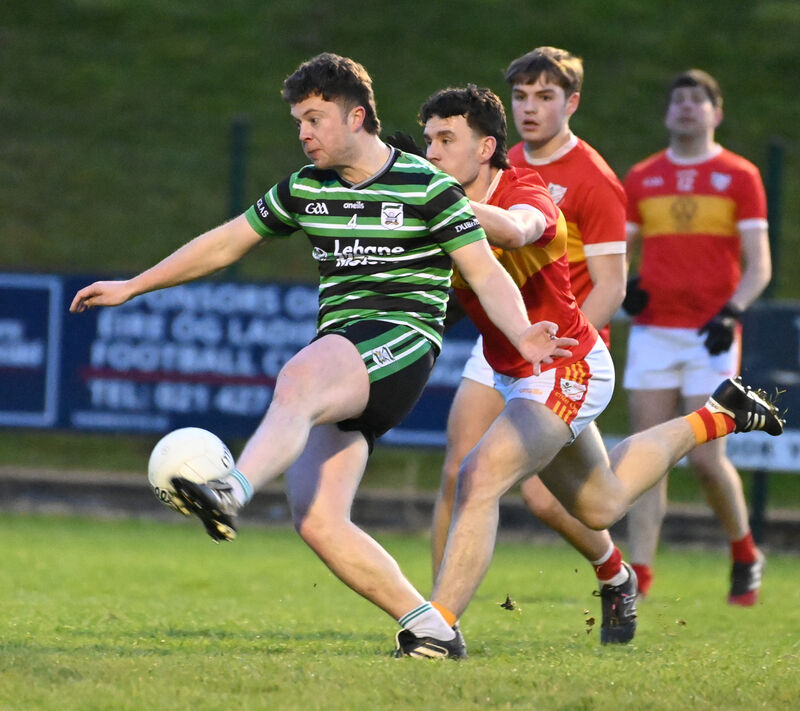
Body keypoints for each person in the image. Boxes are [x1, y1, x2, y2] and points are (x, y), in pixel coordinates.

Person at [70, 53, 577, 658]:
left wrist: (521, 333)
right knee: (316, 517)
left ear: (356, 115)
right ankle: (430, 628)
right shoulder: (305, 188)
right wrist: (133, 285)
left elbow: (485, 272)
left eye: (314, 118)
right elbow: (227, 242)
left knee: (300, 375)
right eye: (297, 122)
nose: (304, 133)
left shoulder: (426, 184)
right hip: (347, 354)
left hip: (400, 341)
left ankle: (231, 490)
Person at [394, 83, 784, 659]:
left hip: (567, 366)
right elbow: (449, 294)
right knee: (600, 506)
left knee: (478, 477)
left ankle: (438, 630)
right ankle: (715, 417)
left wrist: (424, 198)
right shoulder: (442, 209)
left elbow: (516, 229)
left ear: (486, 149)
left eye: (446, 139)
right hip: (515, 372)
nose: (432, 153)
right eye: (428, 140)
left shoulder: (526, 190)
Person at [431, 46, 635, 644]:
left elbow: (612, 284)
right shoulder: (487, 161)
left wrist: (563, 357)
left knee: (550, 500)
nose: (529, 108)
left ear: (570, 103)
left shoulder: (591, 181)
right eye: (520, 96)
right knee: (463, 473)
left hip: (558, 343)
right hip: (502, 339)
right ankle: (436, 614)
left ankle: (612, 570)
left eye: (544, 96)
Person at [621, 69, 772, 605]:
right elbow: (620, 254)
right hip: (653, 334)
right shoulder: (642, 176)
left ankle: (744, 551)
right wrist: (628, 289)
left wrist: (730, 314)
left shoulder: (740, 175)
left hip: (710, 335)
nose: (686, 108)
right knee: (649, 456)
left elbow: (760, 267)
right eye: (677, 100)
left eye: (697, 100)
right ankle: (638, 575)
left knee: (707, 460)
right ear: (667, 114)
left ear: (717, 112)